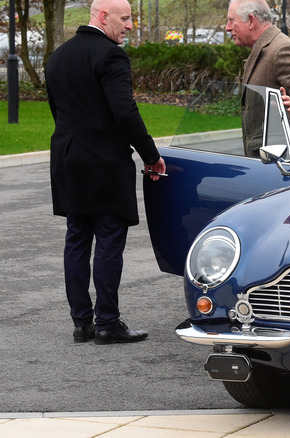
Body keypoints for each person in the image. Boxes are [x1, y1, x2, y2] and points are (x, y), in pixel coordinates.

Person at [45, 0, 166, 345]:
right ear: (103, 16)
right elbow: (124, 111)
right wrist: (151, 155)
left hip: (67, 159)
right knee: (110, 240)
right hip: (103, 163)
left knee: (77, 239)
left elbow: (59, 111)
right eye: (125, 18)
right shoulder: (111, 55)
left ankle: (82, 323)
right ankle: (107, 323)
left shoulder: (57, 56)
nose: (129, 26)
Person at [226, 0, 290, 178]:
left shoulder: (281, 49)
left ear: (251, 21)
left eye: (231, 21)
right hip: (273, 171)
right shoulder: (264, 48)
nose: (228, 27)